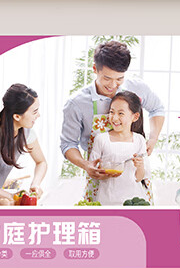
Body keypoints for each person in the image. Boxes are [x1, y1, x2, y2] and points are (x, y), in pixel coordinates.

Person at [60, 40, 165, 203]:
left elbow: (157, 109)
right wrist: (86, 165)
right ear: (95, 69)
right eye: (107, 78)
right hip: (100, 176)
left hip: (134, 178)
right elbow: (68, 144)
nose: (113, 85)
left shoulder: (137, 88)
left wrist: (153, 138)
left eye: (119, 79)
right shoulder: (76, 103)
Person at [90, 91, 151, 205]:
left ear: (135, 117)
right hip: (107, 201)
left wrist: (140, 166)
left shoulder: (139, 140)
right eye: (111, 112)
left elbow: (139, 178)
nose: (114, 118)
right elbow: (92, 171)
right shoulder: (101, 139)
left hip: (133, 201)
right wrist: (103, 173)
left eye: (121, 113)